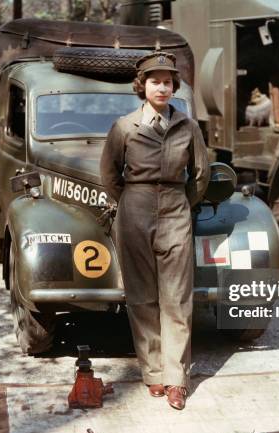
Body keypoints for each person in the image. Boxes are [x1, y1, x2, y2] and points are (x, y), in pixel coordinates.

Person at [100, 51, 210, 410]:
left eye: (167, 82)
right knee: (142, 298)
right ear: (142, 86)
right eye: (154, 81)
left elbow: (200, 176)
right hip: (134, 211)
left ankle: (176, 378)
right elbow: (109, 177)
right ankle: (154, 374)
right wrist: (133, 202)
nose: (162, 87)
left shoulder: (188, 127)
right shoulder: (123, 127)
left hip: (176, 211)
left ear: (174, 86)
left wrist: (180, 204)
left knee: (177, 298)